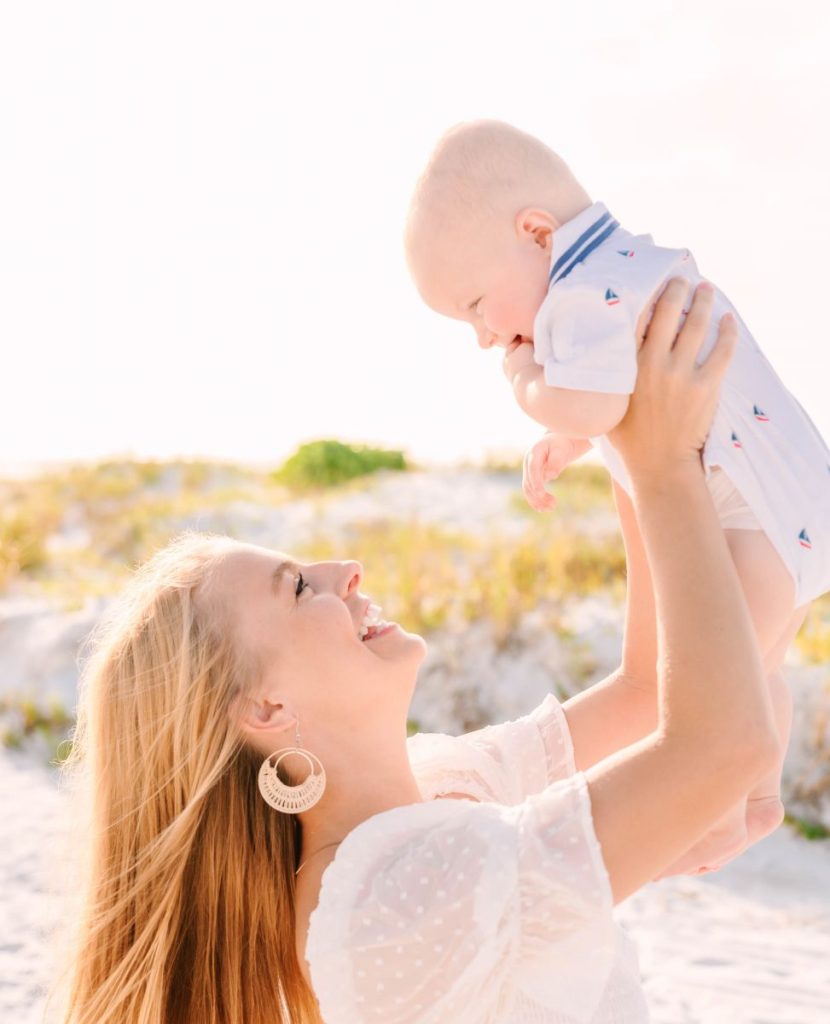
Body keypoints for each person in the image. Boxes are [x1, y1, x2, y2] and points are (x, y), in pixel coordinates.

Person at [60, 283, 778, 1024]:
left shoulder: (436, 788)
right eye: (300, 588)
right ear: (266, 707)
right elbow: (723, 742)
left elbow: (641, 691)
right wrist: (662, 466)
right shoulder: (388, 903)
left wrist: (615, 429)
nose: (345, 570)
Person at [404, 119, 830, 875]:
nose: (482, 337)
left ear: (536, 232)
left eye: (476, 305)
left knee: (702, 702)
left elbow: (597, 405)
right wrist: (574, 439)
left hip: (751, 520)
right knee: (744, 671)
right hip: (792, 511)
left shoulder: (576, 296)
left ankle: (723, 811)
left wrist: (529, 384)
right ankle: (754, 787)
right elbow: (621, 395)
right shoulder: (630, 267)